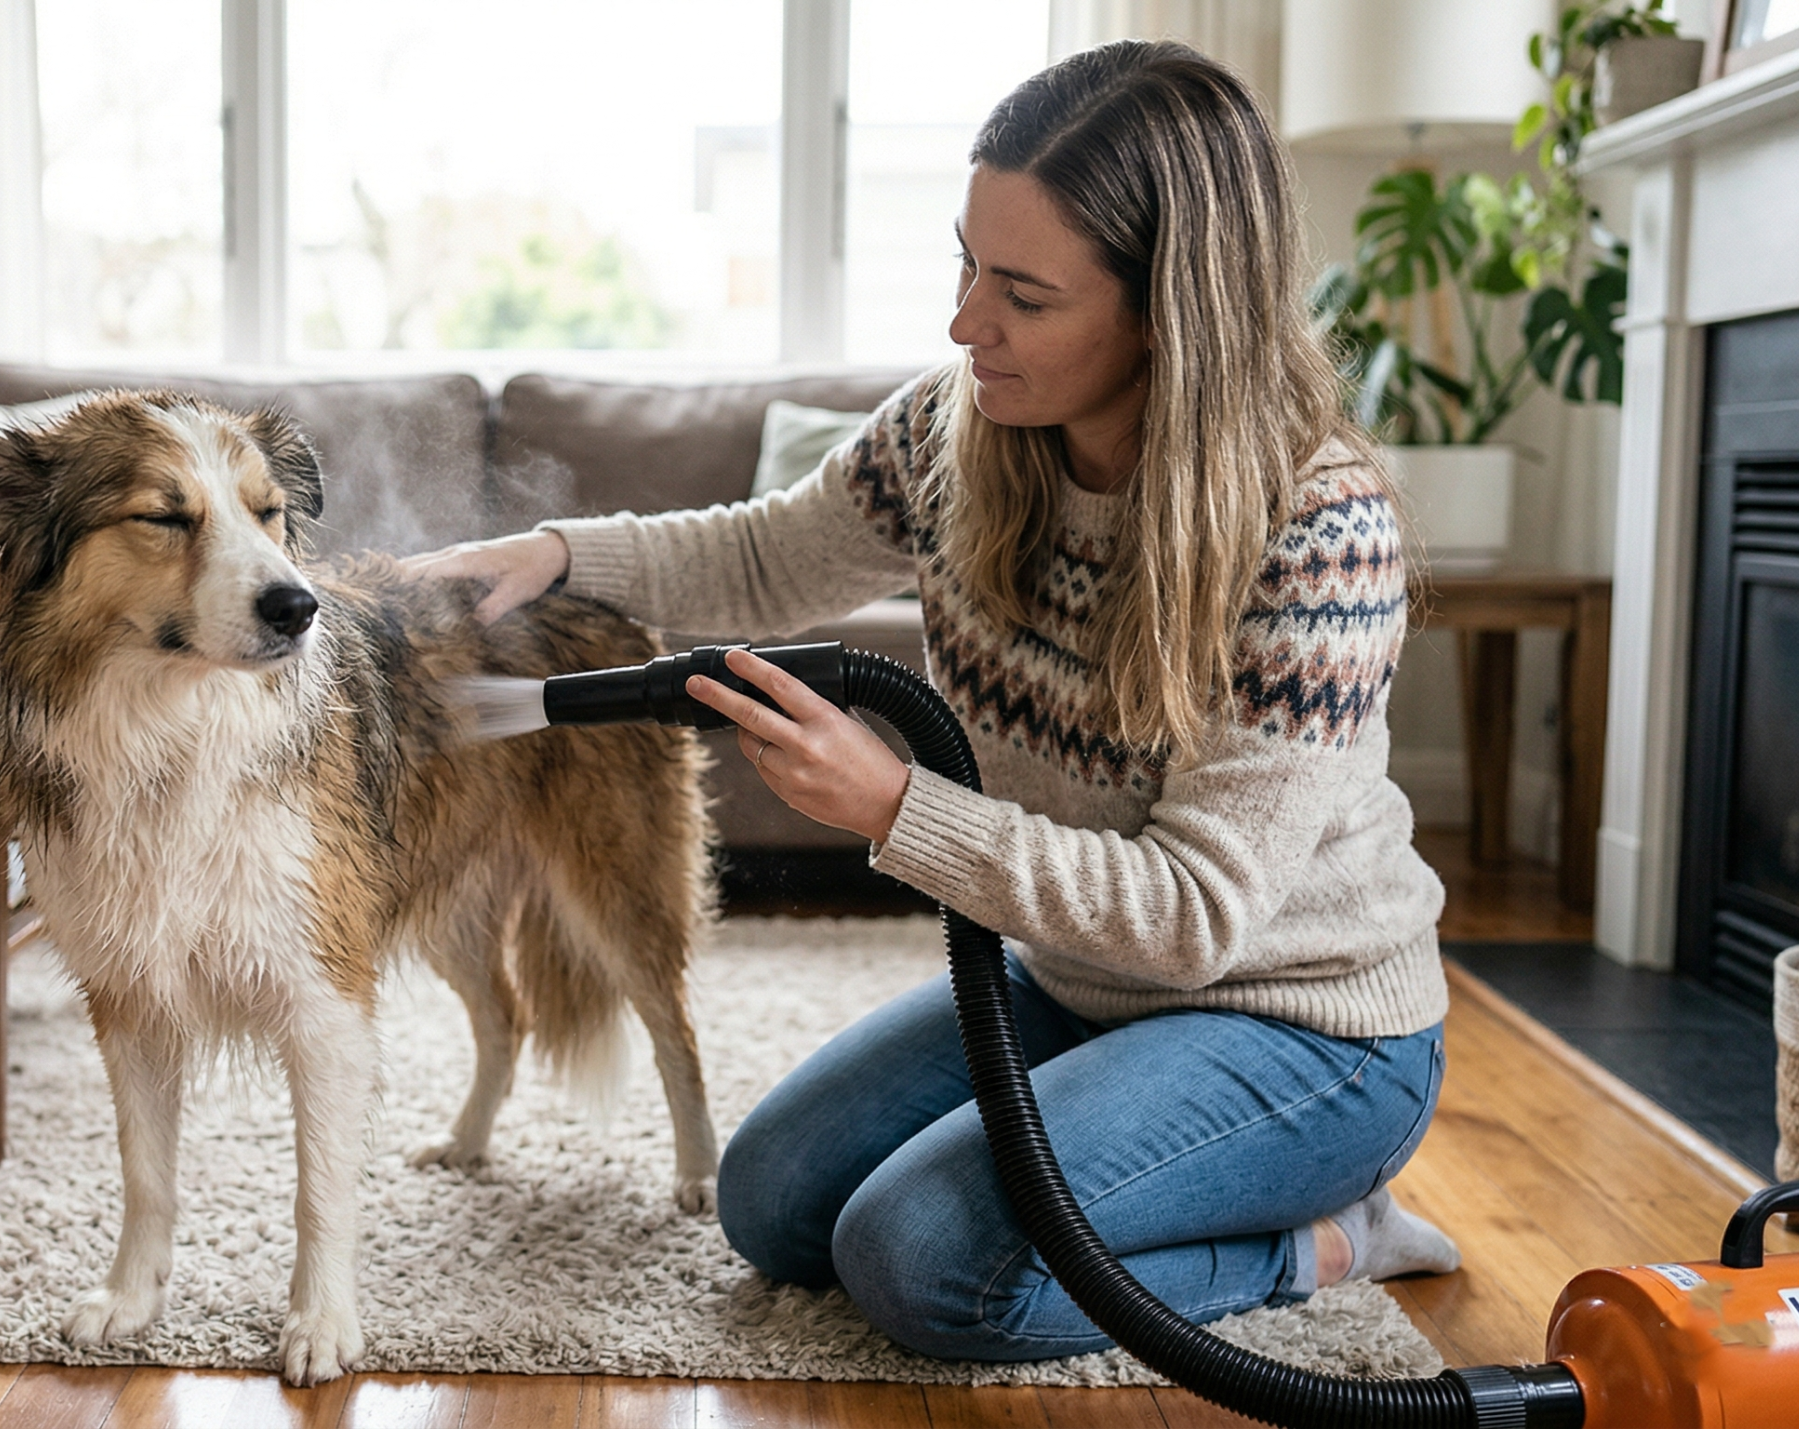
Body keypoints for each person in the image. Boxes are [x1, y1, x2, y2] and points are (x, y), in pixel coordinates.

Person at [402, 39, 1461, 1362]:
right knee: (772, 1201)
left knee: (923, 1260)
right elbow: (770, 555)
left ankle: (1329, 1239)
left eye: (1023, 294)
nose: (967, 324)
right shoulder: (957, 430)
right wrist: (560, 554)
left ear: (1167, 313)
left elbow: (1195, 916)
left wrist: (897, 806)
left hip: (1303, 1029)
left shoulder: (1315, 533)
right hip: (1077, 986)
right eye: (966, 264)